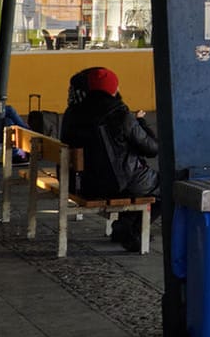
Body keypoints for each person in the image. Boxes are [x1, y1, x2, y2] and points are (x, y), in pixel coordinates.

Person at [59, 67, 158, 246]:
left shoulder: (72, 113)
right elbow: (152, 149)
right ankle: (131, 229)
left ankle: (125, 226)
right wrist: (140, 122)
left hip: (80, 184)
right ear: (113, 89)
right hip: (113, 184)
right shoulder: (120, 113)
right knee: (164, 185)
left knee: (137, 182)